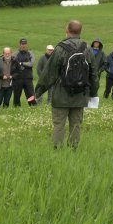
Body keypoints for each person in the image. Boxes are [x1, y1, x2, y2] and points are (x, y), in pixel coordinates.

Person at [32, 20, 99, 150]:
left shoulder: (60, 49)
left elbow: (49, 73)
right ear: (80, 31)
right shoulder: (87, 49)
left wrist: (38, 92)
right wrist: (93, 93)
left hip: (60, 96)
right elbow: (93, 74)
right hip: (80, 96)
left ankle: (58, 151)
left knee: (59, 125)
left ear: (67, 31)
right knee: (76, 125)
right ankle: (73, 150)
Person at [0, 47, 19, 111]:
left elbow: (19, 72)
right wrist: (1, 76)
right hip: (0, 85)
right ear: (3, 54)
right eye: (5, 53)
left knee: (7, 101)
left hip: (10, 85)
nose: (7, 55)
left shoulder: (15, 61)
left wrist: (12, 76)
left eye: (8, 53)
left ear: (11, 53)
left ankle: (5, 112)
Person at [12, 38, 36, 107]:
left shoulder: (30, 53)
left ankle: (33, 107)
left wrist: (21, 63)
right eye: (22, 44)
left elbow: (31, 64)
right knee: (16, 95)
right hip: (18, 78)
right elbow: (13, 64)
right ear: (19, 45)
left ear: (27, 45)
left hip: (28, 78)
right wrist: (24, 64)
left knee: (30, 95)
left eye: (25, 44)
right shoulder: (15, 54)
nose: (23, 46)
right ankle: (16, 109)